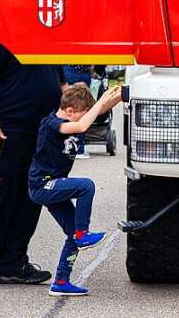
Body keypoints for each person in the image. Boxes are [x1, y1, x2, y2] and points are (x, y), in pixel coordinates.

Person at [0, 36, 63, 287]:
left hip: (39, 135)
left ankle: (13, 264)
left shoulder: (51, 40)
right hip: (5, 132)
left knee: (31, 198)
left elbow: (60, 85)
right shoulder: (3, 36)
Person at [29, 83, 122, 296]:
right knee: (85, 186)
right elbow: (80, 127)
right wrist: (99, 103)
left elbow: (100, 110)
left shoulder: (74, 117)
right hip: (42, 184)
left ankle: (61, 281)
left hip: (54, 184)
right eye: (81, 115)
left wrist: (121, 94)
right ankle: (82, 233)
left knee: (70, 233)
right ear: (70, 111)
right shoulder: (52, 124)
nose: (85, 120)